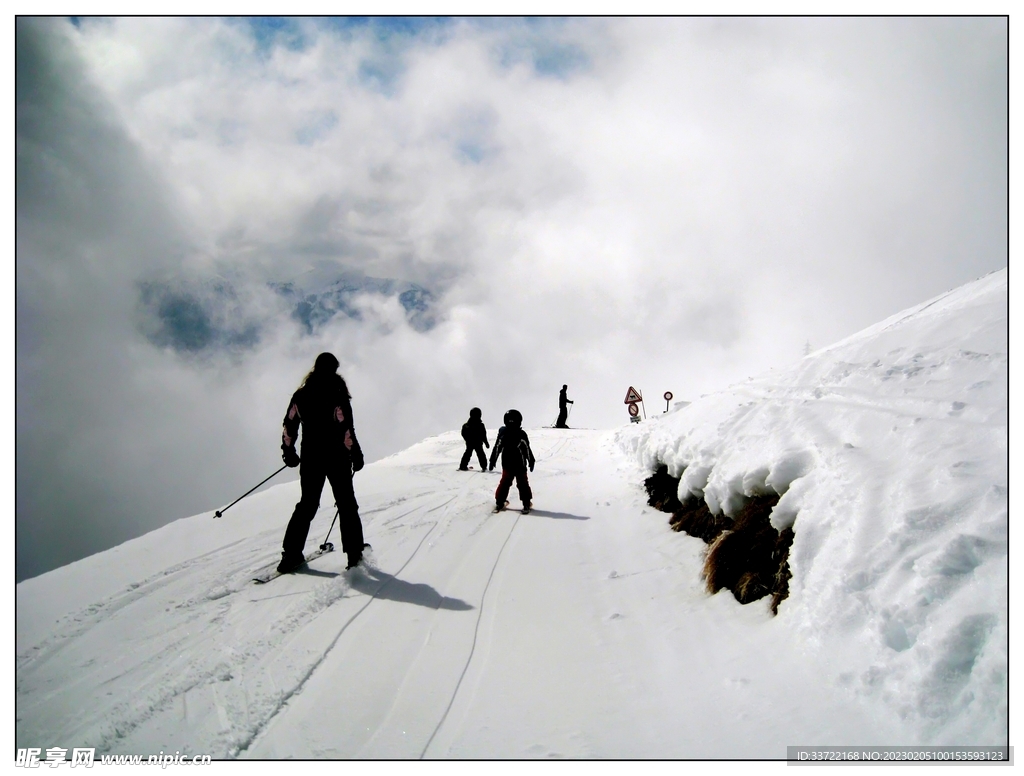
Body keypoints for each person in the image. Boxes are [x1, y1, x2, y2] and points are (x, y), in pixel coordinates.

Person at [278, 352, 366, 573]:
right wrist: (355, 454)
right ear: (334, 369)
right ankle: (354, 554)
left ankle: (291, 555)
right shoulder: (337, 394)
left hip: (311, 458)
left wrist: (288, 451)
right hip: (337, 457)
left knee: (307, 504)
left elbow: (290, 424)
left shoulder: (301, 395)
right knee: (346, 504)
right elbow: (346, 428)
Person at [488, 409, 535, 513]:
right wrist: (531, 461)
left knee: (505, 483)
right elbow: (527, 449)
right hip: (520, 464)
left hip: (507, 464)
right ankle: (526, 503)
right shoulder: (521, 434)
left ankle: (500, 502)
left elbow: (497, 448)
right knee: (522, 483)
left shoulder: (503, 433)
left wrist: (492, 461)